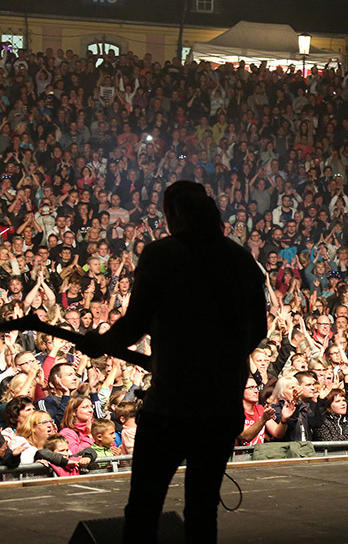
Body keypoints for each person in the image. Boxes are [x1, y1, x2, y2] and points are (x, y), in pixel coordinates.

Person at [80, 181, 267, 543]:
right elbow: (257, 328)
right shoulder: (241, 258)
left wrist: (100, 343)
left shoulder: (162, 254)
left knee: (145, 507)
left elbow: (134, 324)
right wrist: (221, 359)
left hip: (171, 403)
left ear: (173, 215)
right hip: (220, 403)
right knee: (202, 508)